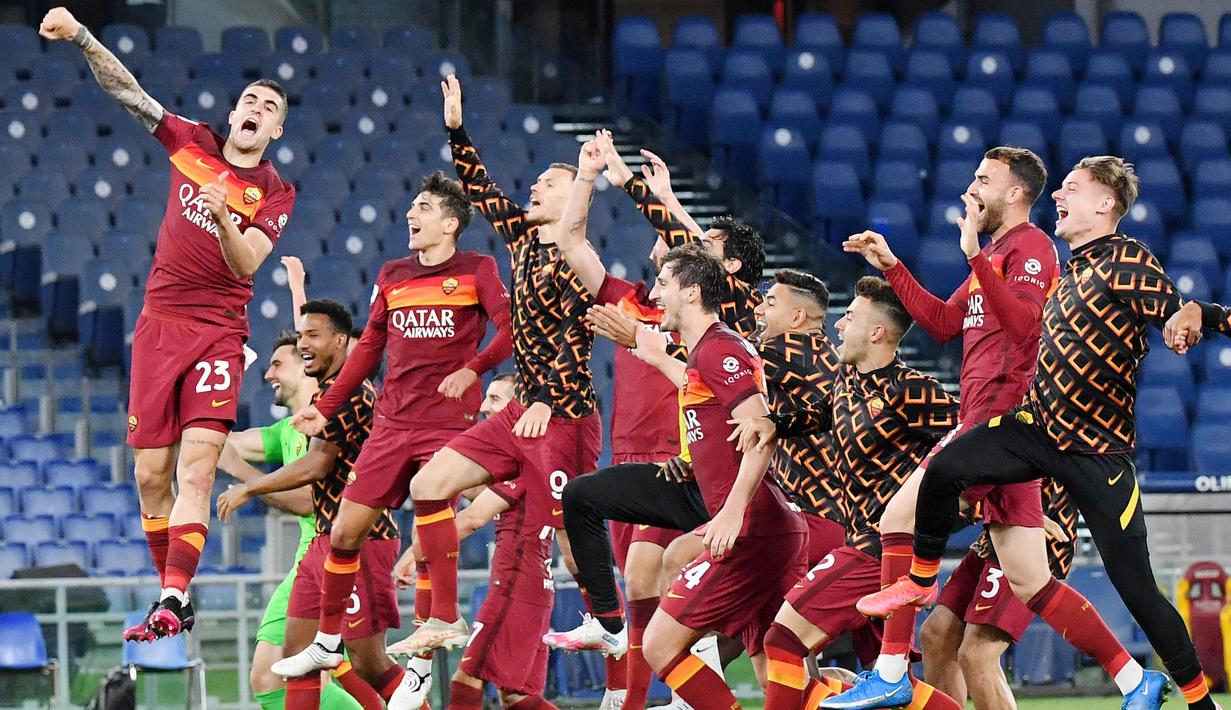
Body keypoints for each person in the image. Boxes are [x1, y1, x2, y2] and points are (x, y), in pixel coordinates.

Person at [860, 156, 1212, 710]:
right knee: (987, 606)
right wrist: (894, 266)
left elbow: (1028, 326)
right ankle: (1132, 680)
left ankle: (889, 665)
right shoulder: (1055, 264)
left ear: (1016, 190)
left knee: (909, 532)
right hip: (1021, 435)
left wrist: (1196, 312)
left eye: (983, 179)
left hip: (1052, 440)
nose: (971, 188)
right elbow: (948, 324)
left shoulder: (1036, 251)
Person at [39, 7, 297, 640]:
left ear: (275, 130)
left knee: (196, 468)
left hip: (217, 331)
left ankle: (175, 592)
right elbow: (129, 92)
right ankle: (173, 600)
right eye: (249, 99)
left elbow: (247, 267)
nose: (255, 108)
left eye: (268, 106)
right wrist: (83, 36)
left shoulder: (274, 193)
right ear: (234, 112)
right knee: (149, 475)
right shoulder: (192, 144)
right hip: (159, 327)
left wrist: (227, 220)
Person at [274, 169, 513, 682]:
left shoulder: (479, 269)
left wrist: (472, 368)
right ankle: (325, 641)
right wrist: (328, 406)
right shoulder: (393, 274)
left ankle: (442, 619)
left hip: (446, 423)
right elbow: (370, 348)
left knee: (430, 506)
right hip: (392, 424)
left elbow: (510, 332)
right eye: (413, 205)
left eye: (424, 207)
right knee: (343, 532)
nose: (412, 213)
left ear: (450, 223)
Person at [562, 242, 807, 709]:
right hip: (750, 522)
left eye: (664, 284)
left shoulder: (721, 350)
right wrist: (649, 352)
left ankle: (611, 626)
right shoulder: (704, 355)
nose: (654, 294)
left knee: (658, 645)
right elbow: (702, 392)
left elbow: (761, 432)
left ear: (691, 293)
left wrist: (733, 514)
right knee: (782, 673)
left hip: (753, 529)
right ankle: (609, 622)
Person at [717, 277, 960, 710]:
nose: (837, 326)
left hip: (880, 551)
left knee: (783, 638)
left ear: (877, 332)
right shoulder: (847, 379)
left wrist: (1019, 510)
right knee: (892, 685)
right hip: (860, 543)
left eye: (848, 318)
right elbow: (826, 413)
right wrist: (777, 423)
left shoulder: (914, 391)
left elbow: (972, 444)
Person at [217, 301, 407, 710]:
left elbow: (319, 463)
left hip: (361, 539)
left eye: (312, 337)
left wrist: (249, 487)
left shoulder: (352, 393)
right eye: (301, 337)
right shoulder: (326, 392)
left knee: (368, 663)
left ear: (341, 342)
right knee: (296, 660)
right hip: (324, 542)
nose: (304, 344)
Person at [391, 373, 561, 709]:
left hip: (516, 584)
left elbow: (471, 518)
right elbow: (464, 486)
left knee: (466, 679)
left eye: (495, 400)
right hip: (533, 588)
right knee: (515, 697)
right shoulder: (530, 461)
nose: (484, 407)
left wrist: (412, 554)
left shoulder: (525, 464)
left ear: (520, 408)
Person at [215, 332, 360, 710]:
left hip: (334, 560)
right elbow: (225, 443)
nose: (268, 374)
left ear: (305, 365)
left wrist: (246, 478)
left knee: (276, 674)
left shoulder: (335, 420)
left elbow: (310, 503)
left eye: (278, 364)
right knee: (330, 674)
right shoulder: (287, 432)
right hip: (313, 563)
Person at [754, 269, 846, 566]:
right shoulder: (819, 352)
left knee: (685, 556)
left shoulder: (793, 349)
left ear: (796, 318)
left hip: (814, 519)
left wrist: (645, 343)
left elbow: (716, 361)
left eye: (769, 303)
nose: (758, 309)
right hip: (829, 517)